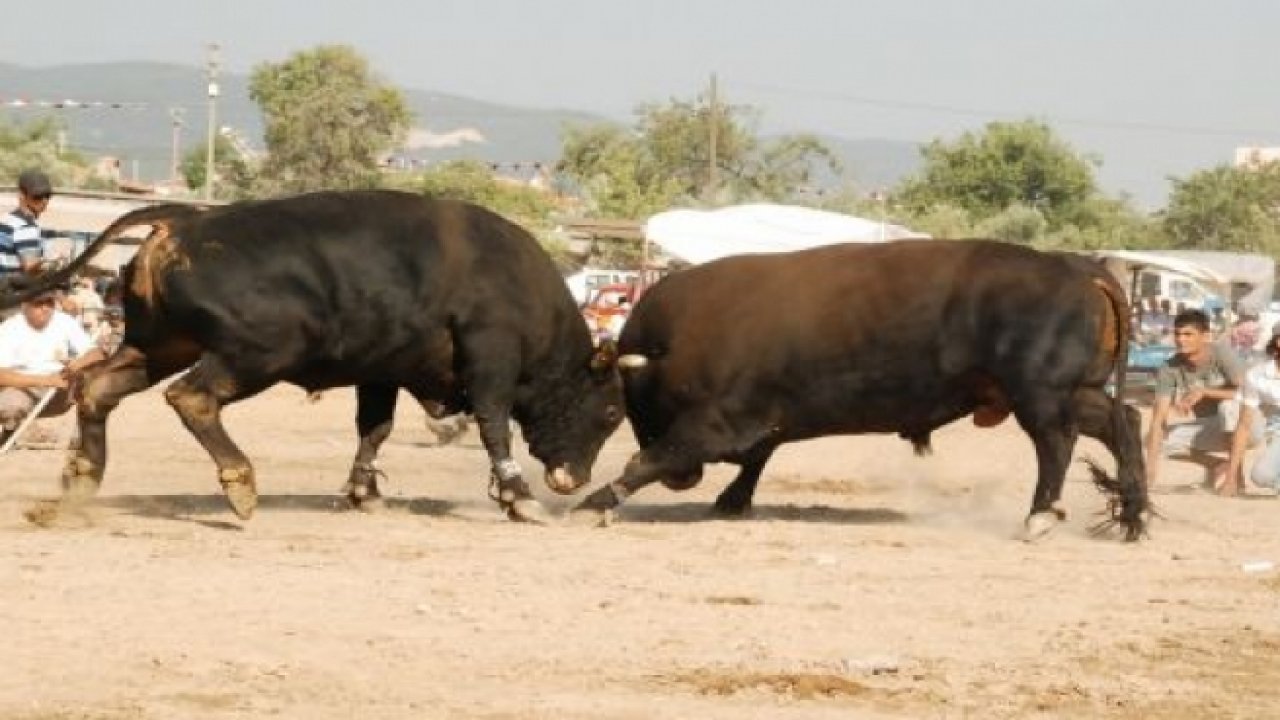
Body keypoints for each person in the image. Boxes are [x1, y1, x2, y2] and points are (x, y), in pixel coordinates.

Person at [1145, 309, 1260, 491]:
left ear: (1205, 336)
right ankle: (1216, 465)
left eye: (1188, 334)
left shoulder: (1221, 353)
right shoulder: (1169, 367)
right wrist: (1149, 474)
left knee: (1228, 407)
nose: (1181, 339)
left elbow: (1250, 393)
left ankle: (1235, 477)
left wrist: (1205, 392)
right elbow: (1159, 417)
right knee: (1154, 438)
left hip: (1248, 426)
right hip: (1212, 426)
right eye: (1177, 334)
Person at [0, 286, 106, 446]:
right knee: (9, 406)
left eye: (49, 302)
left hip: (63, 388)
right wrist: (46, 380)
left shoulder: (64, 321)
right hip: (24, 388)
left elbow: (96, 353)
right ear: (24, 306)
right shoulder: (9, 328)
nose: (45, 308)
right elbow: (2, 375)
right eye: (39, 303)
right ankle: (12, 430)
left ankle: (84, 434)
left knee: (96, 378)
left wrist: (78, 363)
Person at [1223, 325, 1280, 496]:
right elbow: (1244, 425)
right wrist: (1230, 478)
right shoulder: (1257, 375)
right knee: (1261, 476)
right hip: (1276, 431)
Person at [0, 169, 53, 284]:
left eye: (47, 196)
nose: (44, 201)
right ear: (21, 195)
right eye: (37, 196)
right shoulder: (25, 226)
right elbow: (30, 267)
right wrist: (51, 262)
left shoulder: (6, 219)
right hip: (12, 291)